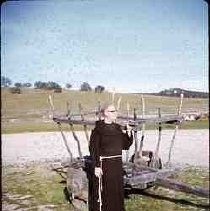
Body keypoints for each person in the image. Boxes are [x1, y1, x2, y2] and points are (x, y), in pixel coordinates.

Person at [88, 104, 133, 211]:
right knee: (106, 191)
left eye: (115, 111)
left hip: (116, 166)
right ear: (105, 113)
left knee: (116, 191)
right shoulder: (98, 130)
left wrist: (128, 132)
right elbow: (93, 149)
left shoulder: (117, 128)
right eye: (112, 111)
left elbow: (125, 145)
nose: (115, 113)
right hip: (105, 166)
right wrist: (96, 166)